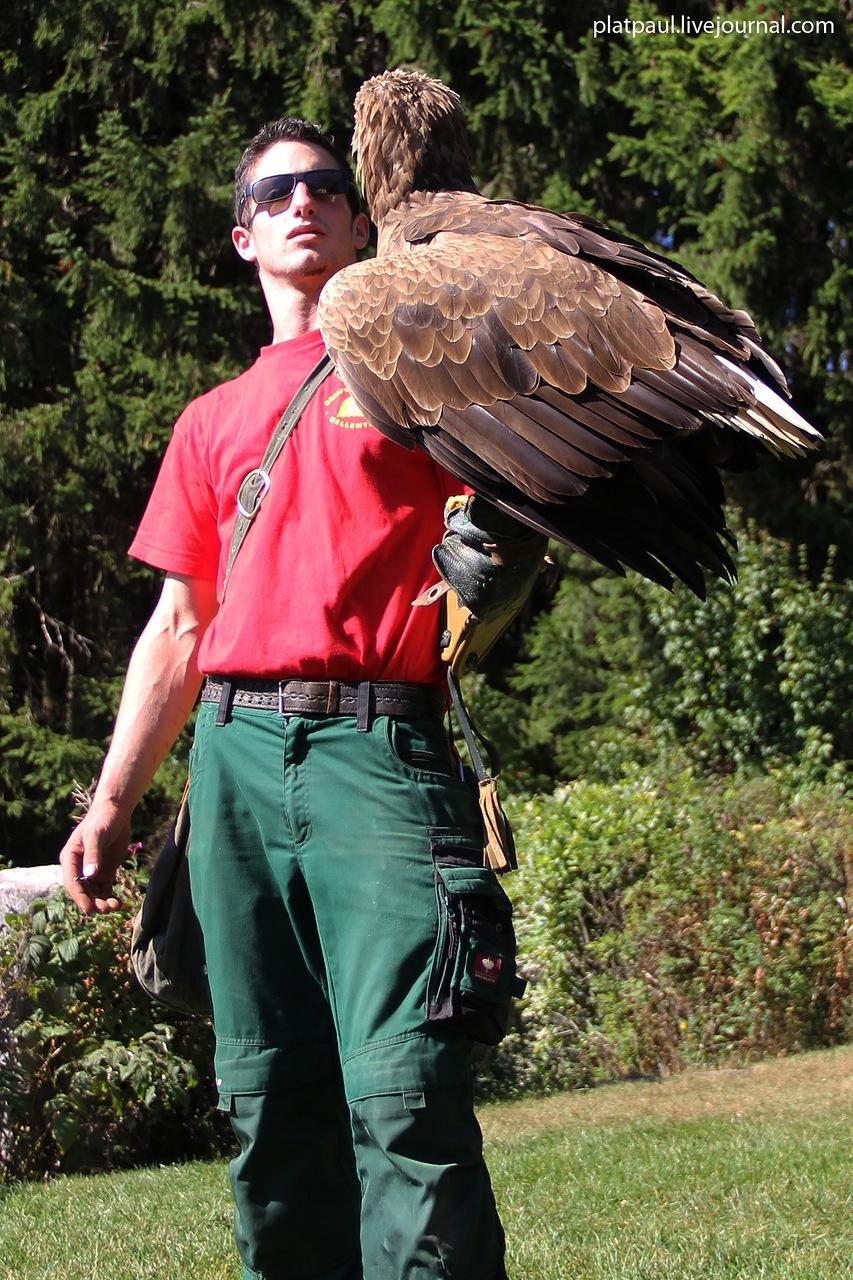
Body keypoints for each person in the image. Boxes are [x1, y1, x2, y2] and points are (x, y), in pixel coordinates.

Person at [59, 116, 517, 1280]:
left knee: (405, 1097)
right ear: (243, 235)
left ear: (362, 223)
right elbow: (178, 626)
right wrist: (112, 802)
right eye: (275, 192)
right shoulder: (211, 420)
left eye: (324, 185)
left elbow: (512, 539)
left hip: (381, 751)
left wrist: (498, 572)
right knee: (268, 1108)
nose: (302, 201)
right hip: (233, 766)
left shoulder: (425, 373)